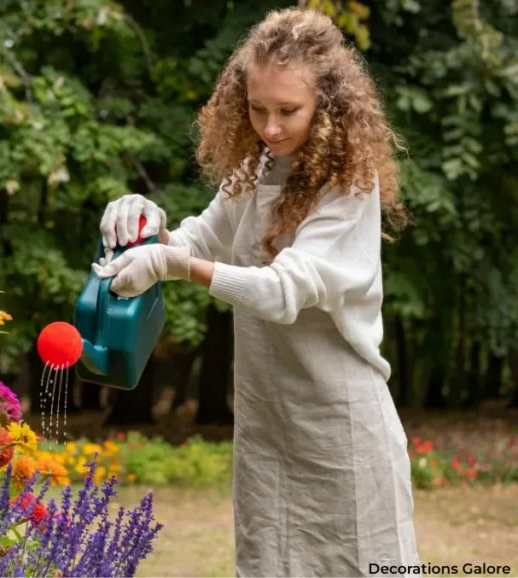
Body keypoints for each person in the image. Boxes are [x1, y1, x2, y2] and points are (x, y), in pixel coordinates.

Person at [93, 7, 421, 577]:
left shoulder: (349, 185)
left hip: (339, 428)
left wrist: (171, 263)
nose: (270, 127)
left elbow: (281, 292)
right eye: (257, 108)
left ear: (327, 103)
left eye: (288, 111)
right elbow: (202, 238)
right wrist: (148, 227)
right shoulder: (256, 168)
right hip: (268, 426)